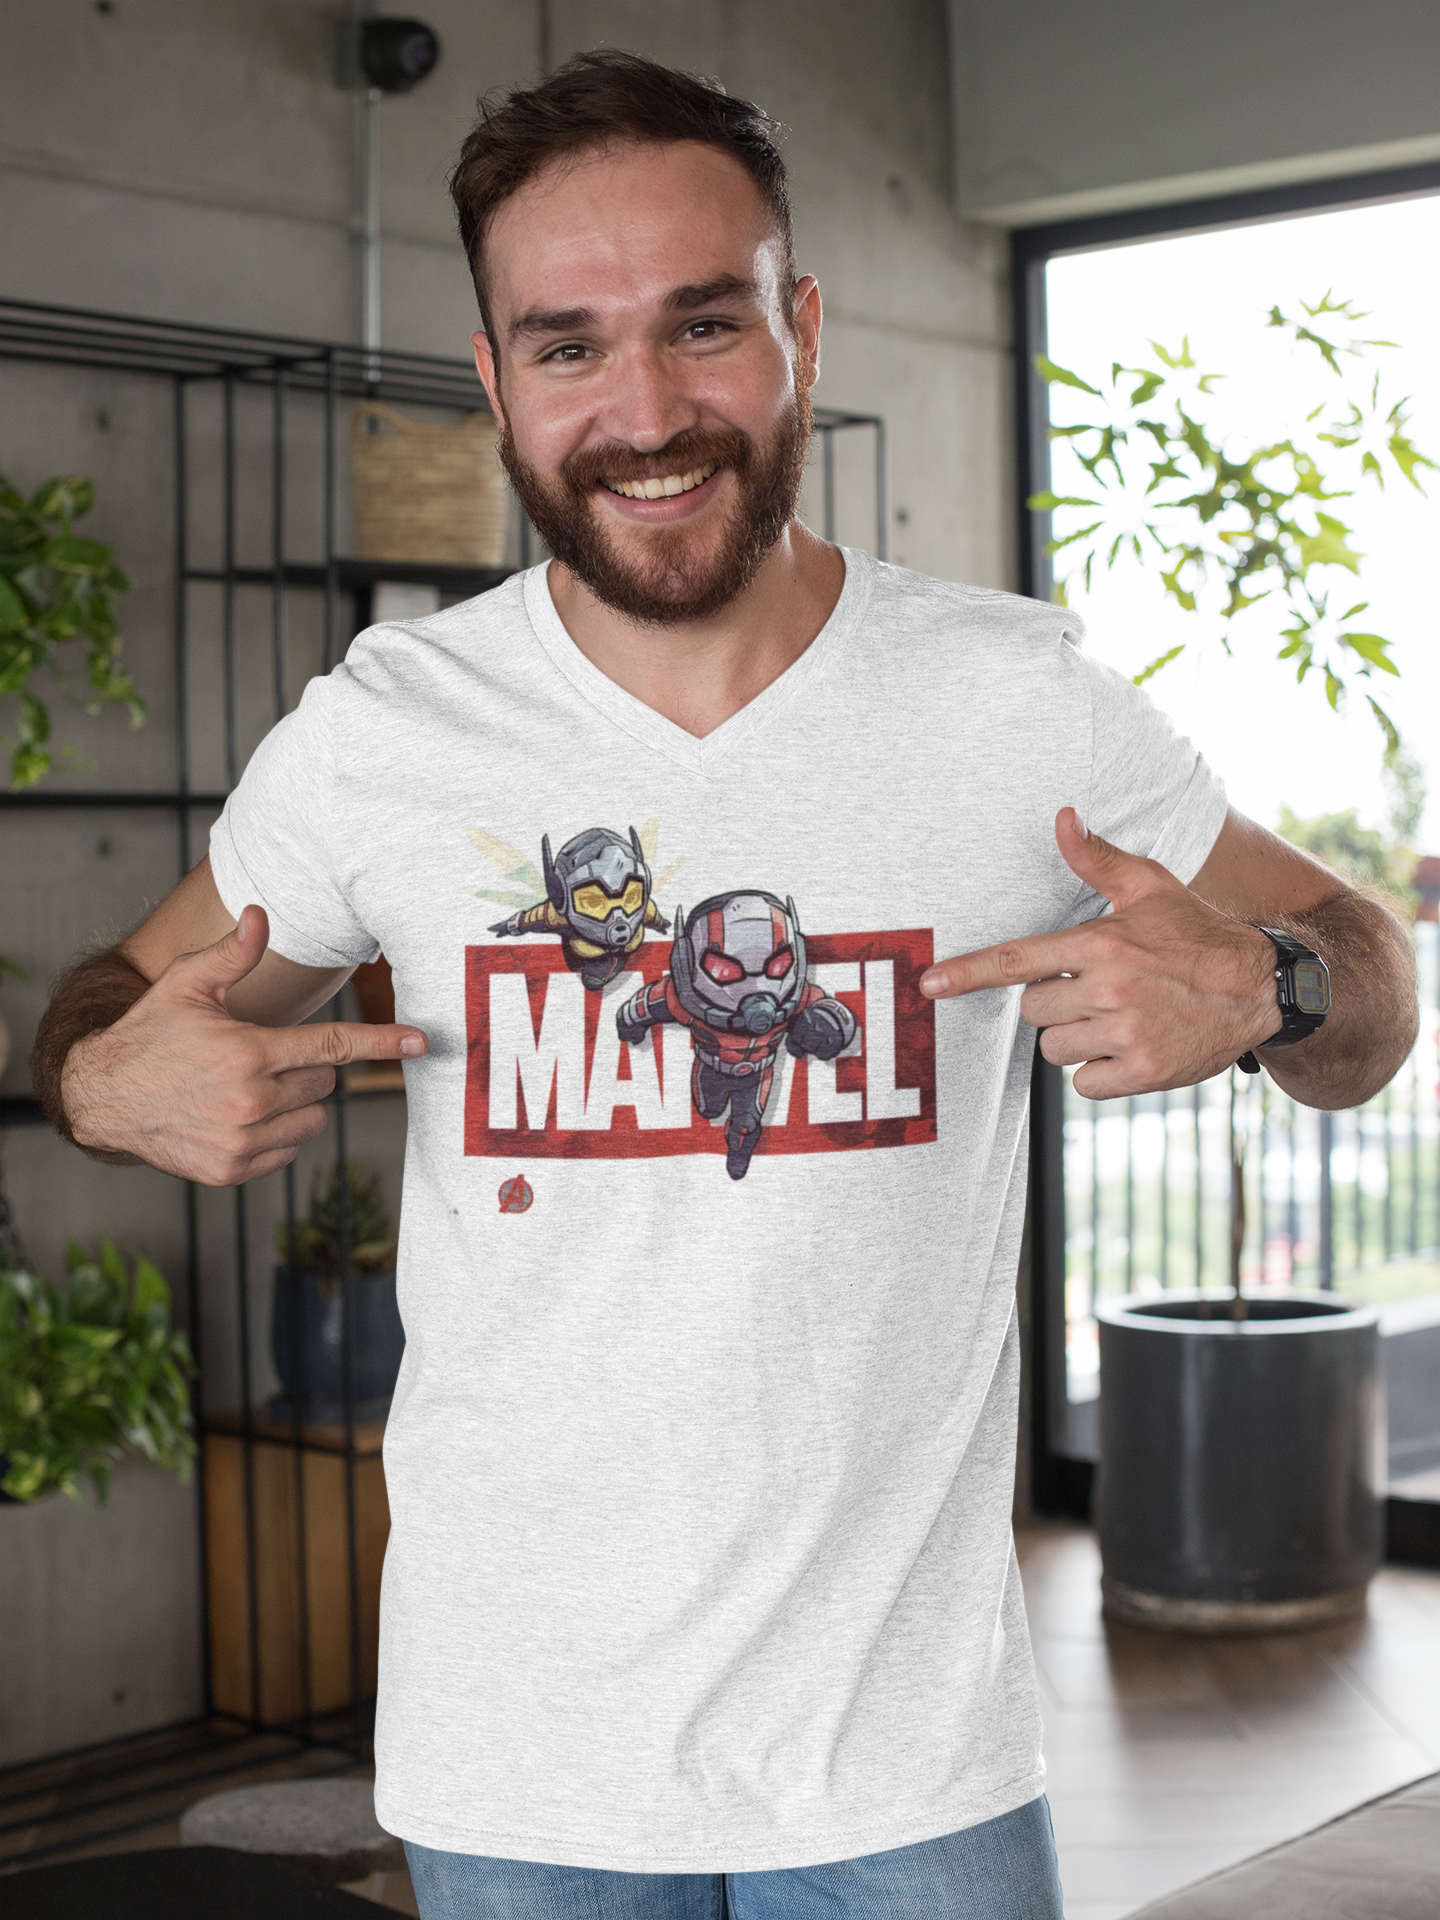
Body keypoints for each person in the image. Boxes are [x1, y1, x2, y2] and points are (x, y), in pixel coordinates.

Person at [34, 48, 1417, 1920]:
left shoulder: (1017, 702)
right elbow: (114, 1000)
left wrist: (1267, 985)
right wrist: (107, 1081)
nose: (646, 409)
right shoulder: (382, 737)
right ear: (497, 380)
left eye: (704, 323)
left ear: (804, 329)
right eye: (569, 344)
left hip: (911, 1765)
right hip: (521, 1763)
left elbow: (1374, 975)